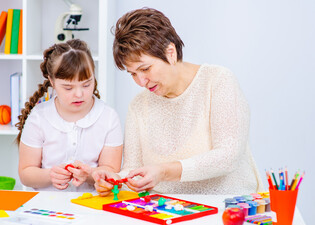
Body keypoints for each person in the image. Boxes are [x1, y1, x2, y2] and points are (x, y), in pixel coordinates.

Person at [93, 8, 263, 195]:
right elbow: (132, 169)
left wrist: (165, 172)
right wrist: (116, 180)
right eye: (133, 73)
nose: (141, 81)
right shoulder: (139, 105)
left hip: (228, 208)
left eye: (146, 69)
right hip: (167, 213)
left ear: (170, 53)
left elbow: (228, 156)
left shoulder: (218, 81)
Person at [16, 39, 123, 192]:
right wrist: (50, 175)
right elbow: (26, 173)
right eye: (68, 87)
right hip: (48, 207)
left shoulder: (108, 117)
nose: (79, 94)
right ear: (52, 82)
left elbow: (111, 171)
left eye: (86, 84)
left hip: (92, 206)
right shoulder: (39, 118)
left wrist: (90, 174)